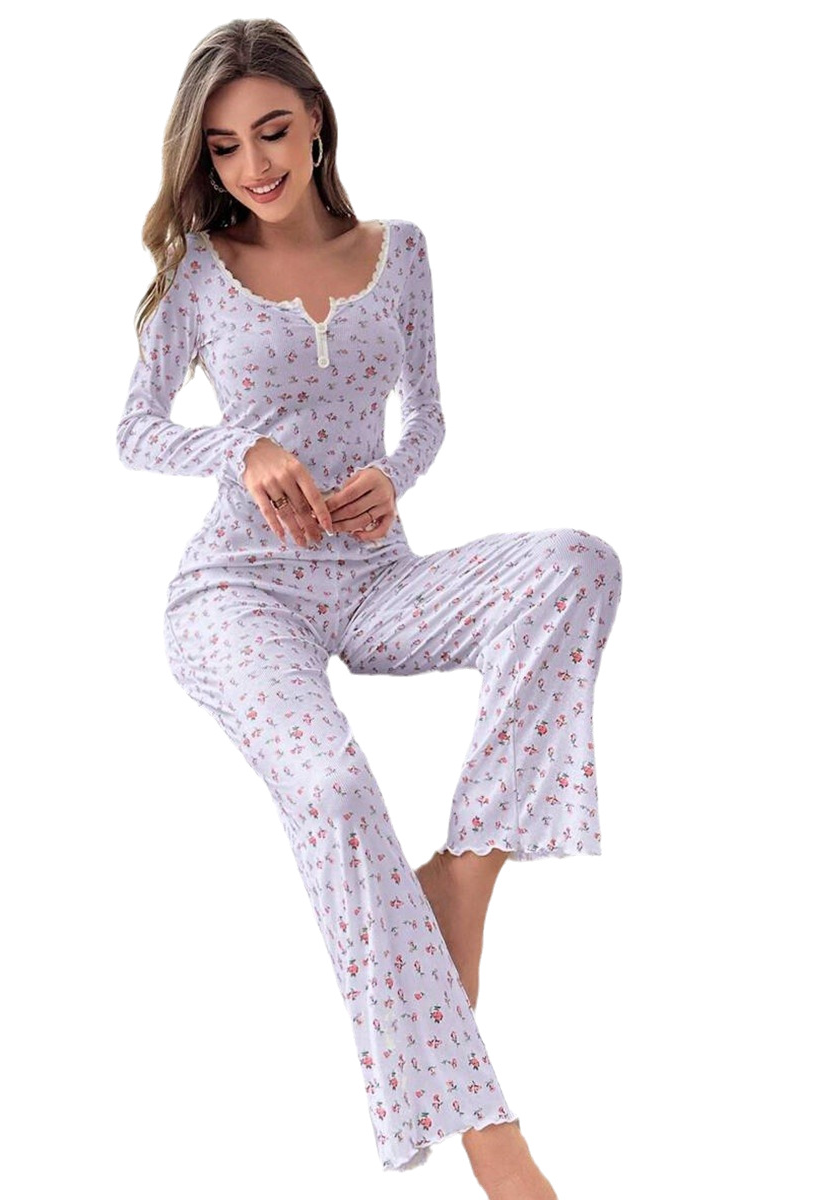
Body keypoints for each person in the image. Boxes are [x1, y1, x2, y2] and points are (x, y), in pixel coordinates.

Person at [116, 19, 622, 1198]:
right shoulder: (199, 268)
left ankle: (467, 874)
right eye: (226, 146)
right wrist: (242, 449)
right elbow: (134, 429)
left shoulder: (401, 253)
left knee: (578, 565)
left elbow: (430, 416)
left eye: (273, 132)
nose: (254, 165)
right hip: (240, 590)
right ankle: (492, 1140)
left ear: (316, 121)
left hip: (379, 576)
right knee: (335, 788)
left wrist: (396, 476)